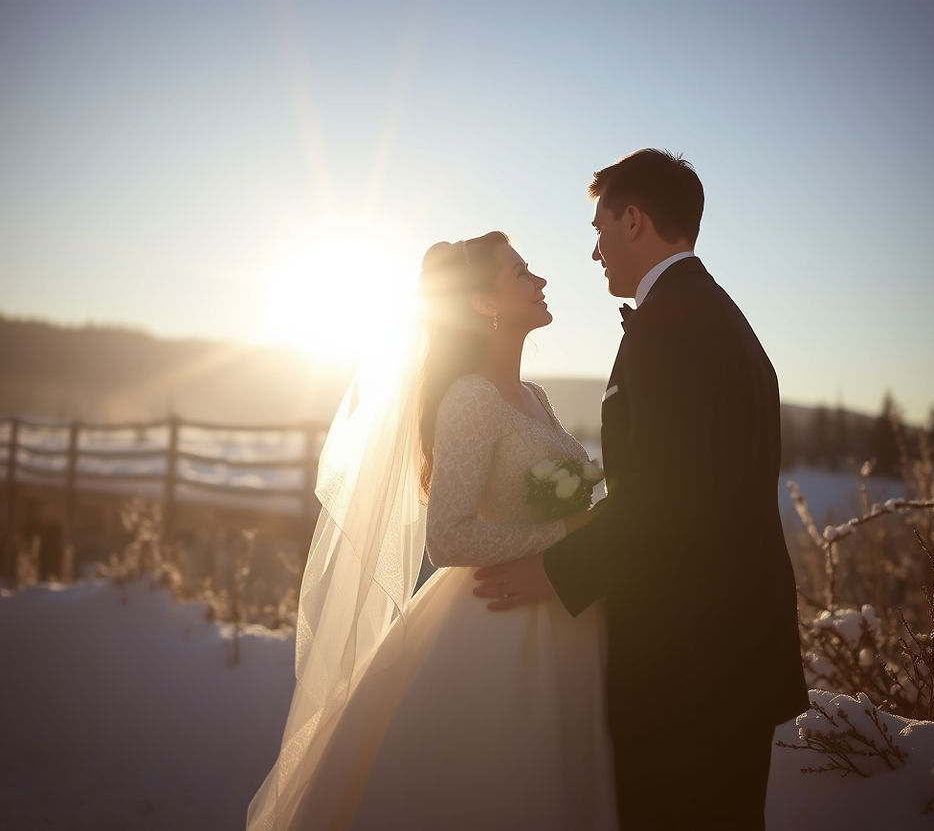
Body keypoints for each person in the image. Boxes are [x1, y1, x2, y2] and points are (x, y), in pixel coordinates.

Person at [474, 150, 810, 830]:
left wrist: (557, 570)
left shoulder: (672, 329)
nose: (594, 251)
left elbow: (668, 497)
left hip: (686, 668)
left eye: (598, 228)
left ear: (633, 221)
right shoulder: (718, 317)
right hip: (728, 657)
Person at [247, 232, 618, 830]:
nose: (540, 281)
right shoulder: (470, 397)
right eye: (522, 272)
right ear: (483, 303)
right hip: (500, 625)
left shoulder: (534, 395)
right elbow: (447, 538)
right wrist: (565, 533)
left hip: (563, 614)